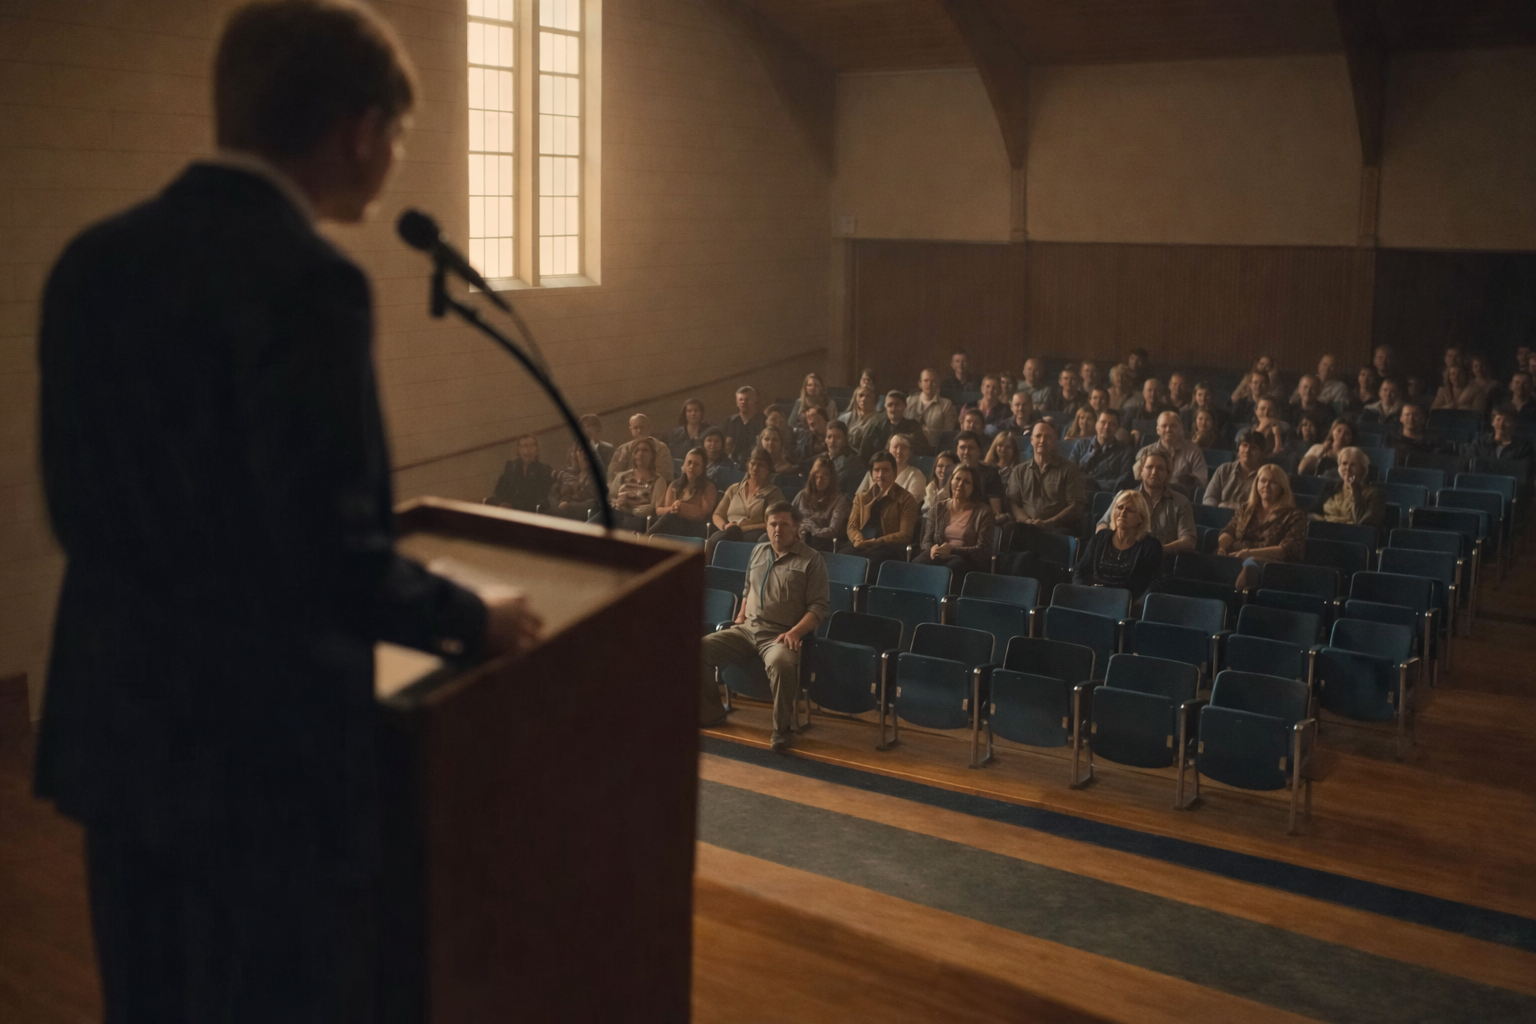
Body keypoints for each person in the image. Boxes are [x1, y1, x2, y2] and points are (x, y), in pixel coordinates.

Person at [34, 2, 542, 1017]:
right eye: (397, 135)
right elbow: (328, 554)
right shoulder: (308, 281)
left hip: (119, 736)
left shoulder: (93, 258)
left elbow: (74, 509)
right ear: (360, 129)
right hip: (252, 768)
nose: (393, 157)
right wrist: (469, 617)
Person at [700, 502, 829, 752]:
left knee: (781, 663)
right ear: (767, 527)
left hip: (781, 635)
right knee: (701, 648)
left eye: (783, 524)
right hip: (747, 628)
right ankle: (711, 712)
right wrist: (739, 615)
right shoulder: (759, 551)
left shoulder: (812, 560)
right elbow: (748, 588)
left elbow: (818, 608)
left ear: (796, 527)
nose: (777, 530)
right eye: (773, 524)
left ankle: (782, 730)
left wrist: (795, 632)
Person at [1218, 464, 1307, 589]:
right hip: (1237, 557)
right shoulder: (1246, 509)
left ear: (1282, 487)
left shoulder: (1294, 515)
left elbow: (1286, 549)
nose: (1266, 485)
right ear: (1256, 483)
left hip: (1270, 565)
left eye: (1273, 482)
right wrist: (1221, 547)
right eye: (1263, 480)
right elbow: (1229, 530)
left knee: (1250, 566)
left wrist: (1249, 553)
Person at [1096, 447, 1196, 556]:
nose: (1154, 472)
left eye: (1160, 468)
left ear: (1168, 474)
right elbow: (1102, 525)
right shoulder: (1124, 497)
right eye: (1149, 467)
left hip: (1163, 562)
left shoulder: (1181, 502)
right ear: (1141, 471)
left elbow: (1188, 541)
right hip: (1126, 557)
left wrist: (1156, 551)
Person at [914, 465, 996, 587]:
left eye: (967, 482)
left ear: (974, 488)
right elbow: (926, 541)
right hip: (937, 555)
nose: (960, 484)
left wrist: (951, 550)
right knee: (915, 564)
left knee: (950, 569)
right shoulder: (938, 508)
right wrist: (933, 549)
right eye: (957, 479)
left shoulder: (984, 512)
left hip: (967, 561)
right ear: (951, 480)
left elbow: (983, 550)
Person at [1076, 489, 1164, 599]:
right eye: (1120, 507)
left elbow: (1155, 584)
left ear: (1141, 518)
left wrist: (1137, 606)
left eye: (1130, 510)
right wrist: (1083, 594)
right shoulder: (1101, 537)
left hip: (1127, 606)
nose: (1123, 513)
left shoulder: (1150, 546)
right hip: (1093, 599)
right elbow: (1080, 572)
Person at [846, 450, 920, 574]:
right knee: (843, 555)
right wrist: (856, 538)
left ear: (894, 473)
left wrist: (874, 542)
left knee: (871, 560)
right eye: (876, 470)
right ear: (871, 473)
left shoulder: (906, 499)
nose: (880, 475)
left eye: (886, 470)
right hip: (864, 544)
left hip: (891, 548)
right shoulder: (862, 497)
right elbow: (852, 526)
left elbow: (905, 535)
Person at [1007, 420, 1086, 534]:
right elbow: (1013, 503)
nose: (1042, 441)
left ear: (1055, 442)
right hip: (1026, 526)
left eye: (1048, 437)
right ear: (1032, 440)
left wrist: (1048, 523)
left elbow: (1075, 505)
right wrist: (1026, 521)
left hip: (1057, 528)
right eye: (1038, 436)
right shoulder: (1019, 471)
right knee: (1008, 529)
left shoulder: (1069, 469)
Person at [707, 447, 785, 560]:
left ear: (768, 469)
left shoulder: (773, 493)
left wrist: (743, 527)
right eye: (752, 464)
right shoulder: (734, 489)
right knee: (721, 536)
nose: (755, 468)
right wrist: (724, 526)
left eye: (761, 465)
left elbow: (773, 521)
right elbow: (717, 514)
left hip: (754, 533)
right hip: (728, 531)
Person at [648, 448, 718, 538]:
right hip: (673, 522)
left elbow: (703, 513)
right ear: (684, 465)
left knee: (669, 519)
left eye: (696, 464)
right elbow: (661, 510)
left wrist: (680, 506)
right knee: (668, 518)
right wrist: (672, 509)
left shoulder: (708, 487)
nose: (691, 466)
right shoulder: (675, 485)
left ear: (703, 468)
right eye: (689, 462)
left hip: (696, 527)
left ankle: (643, 540)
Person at [1134, 411, 1209, 496]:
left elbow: (1201, 482)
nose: (1168, 429)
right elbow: (1136, 480)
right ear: (1158, 430)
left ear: (1181, 430)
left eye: (1173, 426)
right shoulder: (1146, 452)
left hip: (1181, 498)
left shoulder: (1194, 451)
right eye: (1164, 426)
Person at [1312, 447, 1386, 529]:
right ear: (1339, 467)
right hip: (1326, 532)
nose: (1347, 468)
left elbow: (1365, 527)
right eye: (1344, 463)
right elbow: (1312, 513)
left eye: (1353, 465)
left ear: (1362, 470)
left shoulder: (1374, 494)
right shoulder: (1329, 487)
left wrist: (1356, 491)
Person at [793, 456, 852, 551]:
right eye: (816, 475)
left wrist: (809, 534)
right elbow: (789, 517)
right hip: (798, 535)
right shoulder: (802, 495)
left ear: (831, 478)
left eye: (825, 476)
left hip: (823, 542)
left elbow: (832, 530)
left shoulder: (840, 500)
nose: (819, 480)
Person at [608, 439, 666, 531]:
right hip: (618, 513)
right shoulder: (622, 476)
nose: (640, 454)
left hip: (638, 518)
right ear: (634, 456)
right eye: (637, 451)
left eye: (645, 450)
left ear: (652, 456)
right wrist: (616, 503)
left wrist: (630, 506)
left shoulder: (658, 481)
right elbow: (611, 497)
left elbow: (654, 508)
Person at [1073, 409, 1135, 494]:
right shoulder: (1081, 445)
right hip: (1077, 494)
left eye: (1112, 424)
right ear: (1096, 424)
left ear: (1117, 428)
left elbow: (1123, 482)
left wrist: (1094, 484)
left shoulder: (1126, 452)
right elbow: (1070, 472)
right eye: (1102, 422)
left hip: (1104, 497)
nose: (1106, 427)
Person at [488, 433, 552, 513]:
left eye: (532, 445)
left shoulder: (544, 469)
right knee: (489, 502)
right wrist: (501, 503)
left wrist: (513, 505)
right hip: (509, 508)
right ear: (518, 449)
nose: (528, 450)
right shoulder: (512, 466)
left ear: (537, 449)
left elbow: (540, 495)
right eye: (525, 446)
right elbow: (499, 490)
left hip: (532, 509)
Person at [861, 390, 935, 458]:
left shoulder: (913, 426)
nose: (893, 408)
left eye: (897, 405)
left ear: (905, 406)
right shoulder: (876, 424)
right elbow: (865, 449)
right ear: (885, 406)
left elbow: (923, 452)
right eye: (890, 405)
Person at [857, 433, 928, 503]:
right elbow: (859, 498)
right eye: (895, 446)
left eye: (904, 447)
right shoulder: (875, 470)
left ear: (910, 452)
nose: (899, 451)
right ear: (889, 450)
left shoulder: (916, 476)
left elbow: (911, 504)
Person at [1204, 429, 1266, 508]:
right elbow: (1209, 497)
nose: (1247, 450)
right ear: (1238, 448)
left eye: (1253, 448)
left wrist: (1230, 507)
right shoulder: (1224, 470)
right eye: (1244, 445)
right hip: (1220, 516)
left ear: (1261, 452)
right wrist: (1218, 511)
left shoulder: (1264, 476)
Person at [607, 413, 674, 486]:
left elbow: (665, 476)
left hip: (653, 489)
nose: (639, 431)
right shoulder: (622, 449)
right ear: (631, 429)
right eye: (635, 428)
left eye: (642, 427)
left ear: (649, 428)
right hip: (625, 490)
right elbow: (612, 476)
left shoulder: (661, 448)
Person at [1467, 404, 1536, 468]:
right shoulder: (1479, 444)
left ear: (1515, 424)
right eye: (1498, 420)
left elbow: (1525, 473)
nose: (1501, 425)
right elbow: (1469, 467)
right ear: (1493, 422)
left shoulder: (1524, 447)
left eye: (1506, 421)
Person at [955, 429, 1005, 515]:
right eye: (962, 448)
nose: (966, 452)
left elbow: (996, 511)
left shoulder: (991, 474)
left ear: (979, 451)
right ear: (957, 451)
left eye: (971, 448)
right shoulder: (949, 471)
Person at [909, 368, 959, 445]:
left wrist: (929, 432)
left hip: (934, 446)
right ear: (920, 383)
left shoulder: (946, 404)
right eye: (926, 381)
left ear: (938, 383)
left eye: (933, 381)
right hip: (909, 444)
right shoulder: (909, 401)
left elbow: (948, 433)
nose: (929, 384)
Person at [549, 443, 598, 520]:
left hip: (584, 508)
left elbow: (590, 493)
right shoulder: (568, 473)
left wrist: (568, 502)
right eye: (581, 450)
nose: (584, 453)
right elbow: (554, 491)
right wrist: (560, 502)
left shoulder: (596, 473)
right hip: (561, 507)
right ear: (576, 454)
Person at [722, 385, 766, 463]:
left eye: (747, 399)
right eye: (741, 399)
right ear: (736, 402)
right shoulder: (728, 422)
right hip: (731, 464)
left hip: (758, 462)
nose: (743, 402)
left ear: (755, 400)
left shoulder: (764, 421)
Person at [824, 420, 868, 495]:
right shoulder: (823, 458)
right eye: (829, 437)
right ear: (825, 440)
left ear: (845, 440)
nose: (832, 441)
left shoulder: (855, 464)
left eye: (837, 437)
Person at [839, 384, 883, 456]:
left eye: (868, 396)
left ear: (873, 399)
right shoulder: (844, 418)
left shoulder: (880, 420)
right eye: (861, 395)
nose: (864, 399)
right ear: (856, 398)